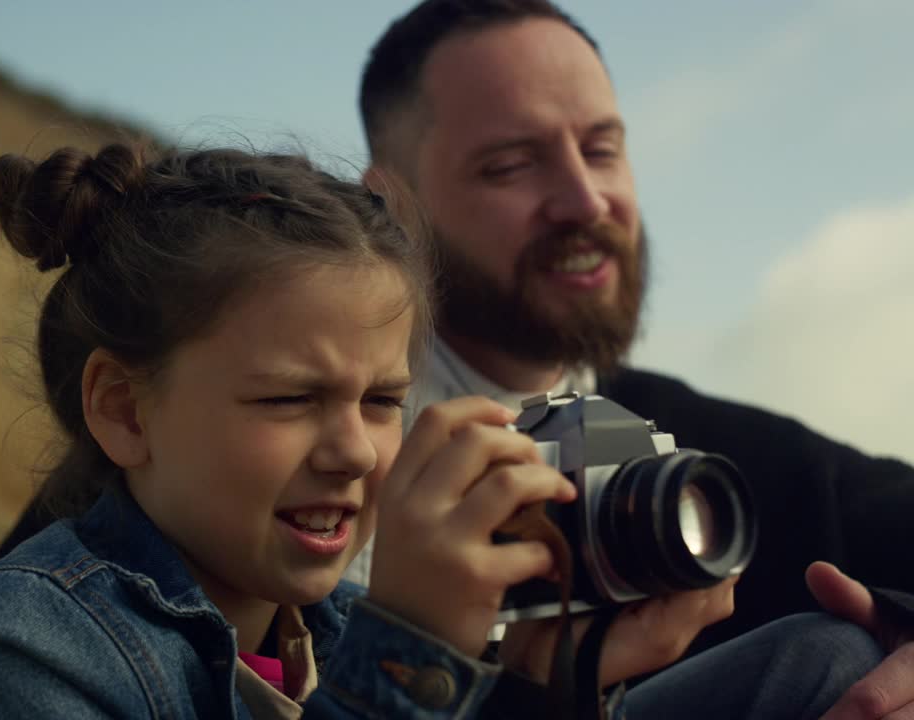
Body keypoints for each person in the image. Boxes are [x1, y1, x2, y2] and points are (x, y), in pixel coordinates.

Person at [0, 142, 880, 719]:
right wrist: (409, 654)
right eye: (287, 401)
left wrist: (549, 683)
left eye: (379, 402)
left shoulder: (322, 628)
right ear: (122, 409)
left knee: (824, 660)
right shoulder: (23, 645)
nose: (355, 450)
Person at [349, 0, 914, 717]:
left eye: (602, 149)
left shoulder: (720, 460)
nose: (585, 200)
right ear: (391, 201)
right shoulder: (312, 467)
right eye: (512, 165)